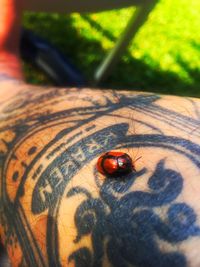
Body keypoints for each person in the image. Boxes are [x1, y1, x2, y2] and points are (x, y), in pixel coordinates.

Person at [1, 1, 200, 266]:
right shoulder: (119, 162)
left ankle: (5, 91)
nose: (128, 163)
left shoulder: (120, 163)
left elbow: (117, 164)